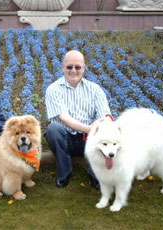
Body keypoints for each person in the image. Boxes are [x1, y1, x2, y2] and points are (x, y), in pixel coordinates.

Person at [44, 50, 113, 188]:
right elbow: (64, 118)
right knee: (53, 129)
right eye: (69, 67)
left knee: (106, 133)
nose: (73, 70)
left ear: (84, 68)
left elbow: (105, 116)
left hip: (88, 140)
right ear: (63, 67)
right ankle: (64, 173)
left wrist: (101, 125)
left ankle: (96, 176)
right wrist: (89, 128)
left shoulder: (95, 89)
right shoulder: (53, 89)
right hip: (64, 139)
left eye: (78, 67)